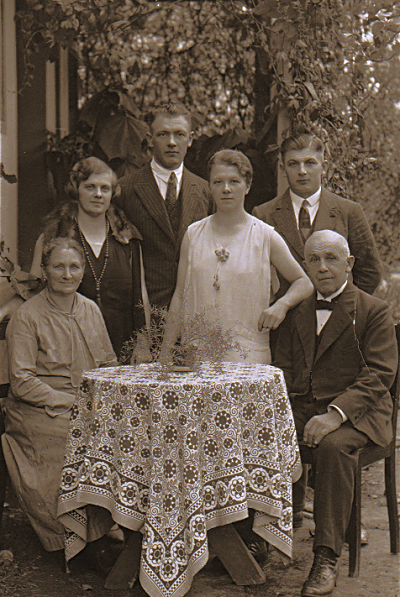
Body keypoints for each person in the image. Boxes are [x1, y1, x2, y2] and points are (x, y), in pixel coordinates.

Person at [273, 230, 397, 597]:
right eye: (314, 259)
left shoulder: (373, 310)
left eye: (331, 258)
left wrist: (335, 414)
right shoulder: (298, 311)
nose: (323, 267)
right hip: (307, 406)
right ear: (306, 265)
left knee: (331, 447)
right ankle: (262, 534)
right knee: (261, 433)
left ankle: (326, 558)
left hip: (361, 413)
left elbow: (379, 375)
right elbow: (284, 367)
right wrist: (288, 411)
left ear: (350, 263)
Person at [1, 238, 118, 554]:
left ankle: (107, 524)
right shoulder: (28, 315)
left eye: (74, 267)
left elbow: (108, 364)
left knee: (126, 432)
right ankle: (71, 536)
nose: (67, 274)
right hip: (38, 408)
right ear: (44, 271)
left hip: (86, 403)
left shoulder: (90, 309)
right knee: (72, 436)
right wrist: (69, 401)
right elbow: (22, 381)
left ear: (82, 272)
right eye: (58, 267)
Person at [160, 149, 314, 364]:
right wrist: (166, 352)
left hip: (249, 355)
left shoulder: (265, 236)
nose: (226, 189)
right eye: (217, 182)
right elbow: (180, 295)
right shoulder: (193, 235)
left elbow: (304, 282)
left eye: (234, 181)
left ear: (247, 186)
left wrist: (282, 305)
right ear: (210, 187)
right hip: (196, 357)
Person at [0, 157, 149, 358]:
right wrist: (5, 310)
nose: (98, 194)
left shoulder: (128, 238)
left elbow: (141, 297)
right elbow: (32, 291)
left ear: (112, 194)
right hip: (66, 348)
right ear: (76, 189)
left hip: (121, 347)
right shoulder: (53, 236)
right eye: (90, 187)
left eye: (105, 189)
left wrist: (143, 342)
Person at [252, 129, 382, 299]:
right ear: (283, 169)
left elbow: (369, 271)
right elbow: (255, 274)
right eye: (293, 164)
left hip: (336, 318)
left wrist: (345, 310)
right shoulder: (264, 215)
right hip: (286, 320)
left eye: (310, 163)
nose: (302, 171)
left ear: (324, 167)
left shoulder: (348, 211)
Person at [115, 103, 211, 308]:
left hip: (196, 309)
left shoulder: (205, 191)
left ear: (191, 139)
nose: (172, 142)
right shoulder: (125, 189)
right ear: (150, 139)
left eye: (179, 134)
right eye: (162, 135)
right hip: (144, 310)